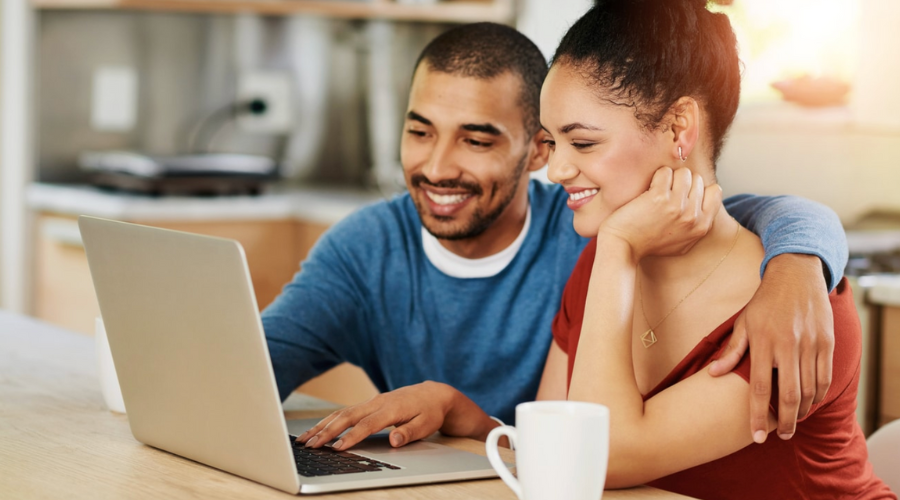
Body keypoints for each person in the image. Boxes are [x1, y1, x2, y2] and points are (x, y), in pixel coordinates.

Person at [298, 6, 894, 499]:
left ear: (679, 127)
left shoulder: (796, 309)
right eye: (553, 142)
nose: (556, 169)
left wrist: (617, 250)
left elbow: (601, 463)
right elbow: (559, 459)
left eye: (582, 141)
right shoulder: (600, 266)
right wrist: (467, 416)